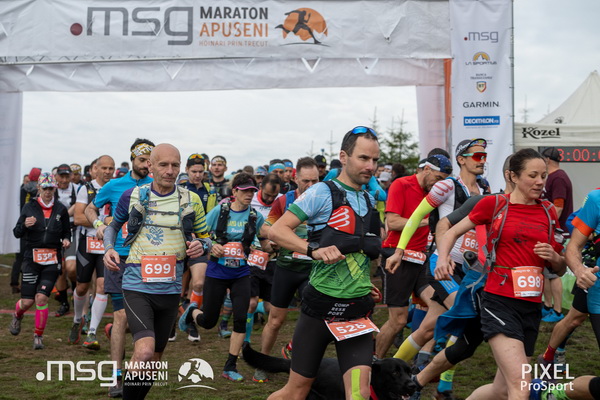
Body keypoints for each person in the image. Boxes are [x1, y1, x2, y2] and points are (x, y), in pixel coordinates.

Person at [436, 148, 566, 400]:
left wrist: (555, 257)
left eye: (543, 176)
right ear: (513, 176)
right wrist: (442, 259)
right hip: (500, 302)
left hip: (531, 306)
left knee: (502, 389)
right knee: (521, 386)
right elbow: (451, 231)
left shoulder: (548, 211)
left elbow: (559, 268)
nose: (540, 182)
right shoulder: (495, 204)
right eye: (532, 176)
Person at [266, 126, 382, 400]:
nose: (370, 166)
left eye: (375, 160)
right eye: (363, 158)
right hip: (319, 310)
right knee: (295, 393)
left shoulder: (368, 198)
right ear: (343, 157)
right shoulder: (321, 192)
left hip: (356, 312)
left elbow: (360, 253)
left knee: (359, 394)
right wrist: (313, 250)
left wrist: (364, 284)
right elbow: (277, 231)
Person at [103, 143, 209, 399]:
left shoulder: (191, 199)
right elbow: (113, 227)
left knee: (155, 358)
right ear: (150, 166)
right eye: (163, 164)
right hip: (136, 285)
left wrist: (202, 245)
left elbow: (207, 238)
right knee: (144, 352)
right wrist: (108, 248)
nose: (170, 170)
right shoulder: (133, 195)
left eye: (175, 165)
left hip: (170, 289)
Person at [391, 139, 490, 375]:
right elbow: (416, 216)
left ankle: (390, 370)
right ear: (461, 159)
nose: (482, 161)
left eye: (484, 156)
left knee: (427, 328)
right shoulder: (446, 186)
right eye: (477, 156)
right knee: (464, 315)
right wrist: (399, 249)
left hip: (469, 268)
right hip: (443, 264)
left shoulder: (485, 188)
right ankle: (435, 378)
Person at [179, 173, 269, 382]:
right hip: (217, 272)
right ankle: (191, 311)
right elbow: (199, 233)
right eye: (245, 191)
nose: (249, 195)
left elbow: (265, 239)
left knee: (240, 319)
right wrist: (212, 245)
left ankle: (230, 366)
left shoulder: (255, 216)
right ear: (235, 191)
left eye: (252, 191)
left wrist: (269, 247)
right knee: (208, 322)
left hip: (241, 273)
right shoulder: (220, 211)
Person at [85, 138, 154, 398]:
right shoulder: (114, 185)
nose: (146, 165)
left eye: (150, 161)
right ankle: (116, 376)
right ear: (133, 159)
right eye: (142, 160)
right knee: (122, 316)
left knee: (145, 320)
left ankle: (136, 365)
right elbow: (90, 208)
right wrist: (100, 225)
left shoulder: (158, 186)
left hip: (149, 259)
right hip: (120, 258)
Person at [376, 154, 452, 359]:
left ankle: (421, 359)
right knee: (398, 321)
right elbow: (392, 223)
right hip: (397, 255)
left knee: (440, 307)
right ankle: (375, 363)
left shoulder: (436, 193)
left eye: (443, 180)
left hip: (422, 259)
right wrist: (427, 221)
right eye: (437, 178)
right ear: (426, 169)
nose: (439, 184)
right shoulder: (401, 184)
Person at [255, 156, 320, 383]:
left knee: (316, 315)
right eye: (306, 181)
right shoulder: (284, 201)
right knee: (275, 320)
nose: (311, 186)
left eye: (315, 181)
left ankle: (293, 351)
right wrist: (277, 238)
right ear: (295, 179)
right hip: (286, 268)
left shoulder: (326, 200)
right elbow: (265, 228)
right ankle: (262, 363)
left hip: (313, 269)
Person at [10, 172, 71, 349]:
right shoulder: (29, 207)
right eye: (45, 188)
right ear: (39, 188)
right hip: (31, 259)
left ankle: (38, 336)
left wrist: (66, 240)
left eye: (51, 188)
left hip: (52, 259)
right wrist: (24, 225)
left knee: (42, 298)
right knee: (27, 301)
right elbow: (16, 232)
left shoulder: (60, 209)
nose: (48, 192)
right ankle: (17, 315)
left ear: (55, 189)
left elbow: (67, 232)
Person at [70, 155, 115, 350]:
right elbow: (78, 218)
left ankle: (92, 332)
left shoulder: (116, 188)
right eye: (104, 168)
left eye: (111, 168)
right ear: (96, 169)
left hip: (107, 245)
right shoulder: (86, 188)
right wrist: (102, 222)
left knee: (103, 286)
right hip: (87, 243)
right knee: (82, 287)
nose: (107, 172)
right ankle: (77, 319)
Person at [541, 147, 573, 323]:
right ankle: (547, 306)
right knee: (545, 270)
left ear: (546, 160)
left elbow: (558, 207)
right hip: (551, 230)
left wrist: (546, 225)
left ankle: (558, 310)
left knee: (553, 272)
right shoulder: (551, 177)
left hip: (557, 231)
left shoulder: (558, 177)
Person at [565, 188, 600, 348]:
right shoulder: (596, 198)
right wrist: (580, 271)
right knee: (574, 318)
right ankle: (551, 354)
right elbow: (574, 246)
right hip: (598, 294)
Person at [53, 163, 79, 317]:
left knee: (71, 268)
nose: (63, 180)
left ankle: (76, 291)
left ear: (71, 176)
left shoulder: (77, 189)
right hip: (55, 233)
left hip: (72, 231)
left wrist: (63, 215)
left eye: (66, 176)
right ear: (56, 177)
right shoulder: (51, 189)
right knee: (59, 270)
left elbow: (79, 206)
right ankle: (64, 303)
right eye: (61, 176)